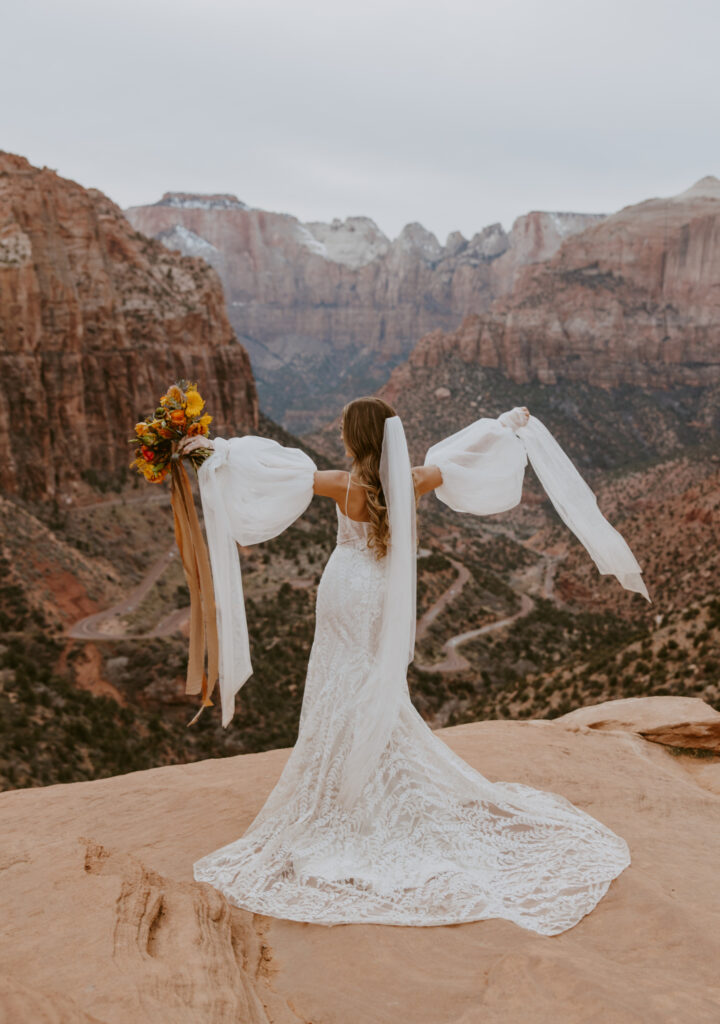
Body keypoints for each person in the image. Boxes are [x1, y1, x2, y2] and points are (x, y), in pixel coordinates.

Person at [180, 396, 645, 936]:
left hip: (341, 589)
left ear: (355, 438)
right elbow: (469, 456)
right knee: (372, 680)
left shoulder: (337, 483)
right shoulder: (415, 479)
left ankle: (336, 787)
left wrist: (208, 452)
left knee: (336, 678)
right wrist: (504, 428)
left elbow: (265, 469)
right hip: (380, 592)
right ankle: (372, 771)